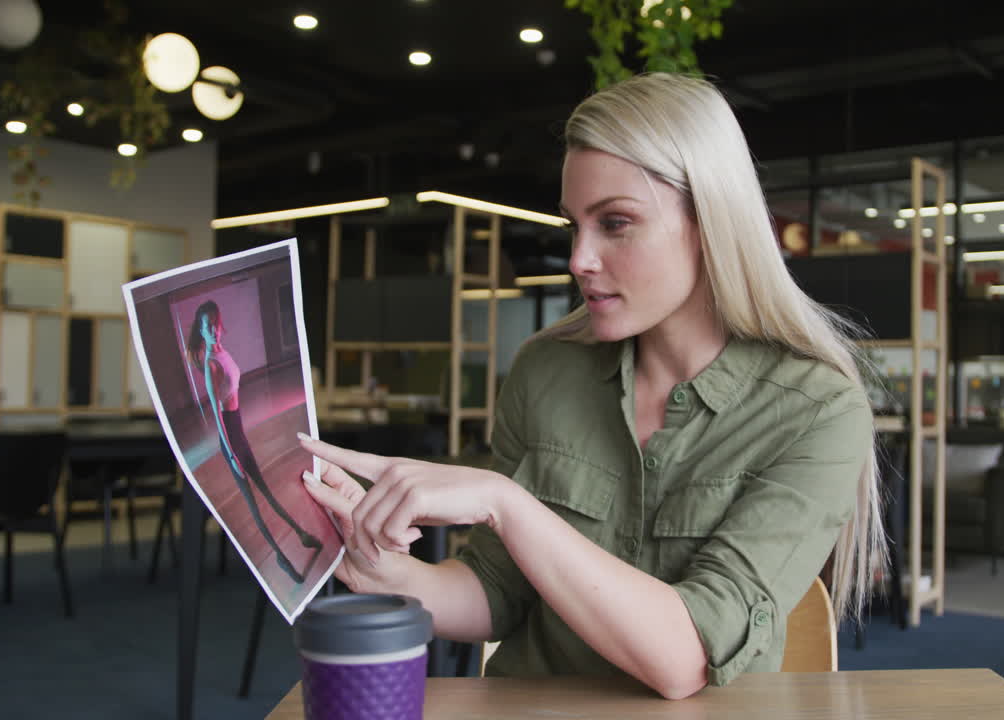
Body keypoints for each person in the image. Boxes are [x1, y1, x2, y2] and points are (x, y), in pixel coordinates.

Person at [298, 72, 886, 699]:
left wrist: (505, 501)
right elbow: (497, 596)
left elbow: (684, 659)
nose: (579, 258)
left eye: (616, 223)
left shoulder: (817, 410)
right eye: (574, 224)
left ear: (709, 222)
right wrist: (386, 571)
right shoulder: (546, 370)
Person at [186, 300, 323, 584]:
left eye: (214, 323)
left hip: (237, 428)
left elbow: (232, 397)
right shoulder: (211, 363)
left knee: (265, 490)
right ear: (200, 330)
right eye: (206, 326)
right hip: (230, 436)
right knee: (253, 503)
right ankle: (281, 558)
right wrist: (233, 456)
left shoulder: (224, 353)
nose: (212, 330)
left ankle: (301, 534)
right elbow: (217, 412)